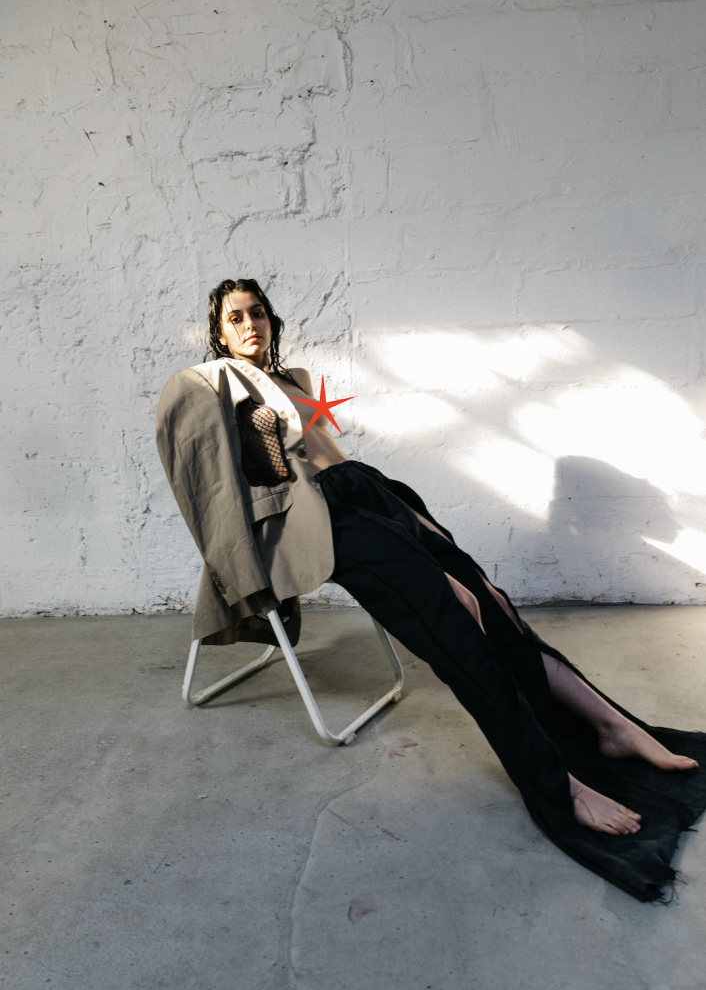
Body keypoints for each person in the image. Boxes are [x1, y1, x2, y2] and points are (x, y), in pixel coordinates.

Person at [158, 277, 706, 902]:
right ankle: (558, 781)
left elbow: (334, 459)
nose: (250, 324)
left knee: (491, 601)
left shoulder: (294, 380)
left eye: (258, 312)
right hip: (312, 526)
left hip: (362, 497)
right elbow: (219, 490)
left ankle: (610, 725)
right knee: (459, 609)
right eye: (236, 317)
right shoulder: (209, 386)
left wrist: (408, 515)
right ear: (218, 329)